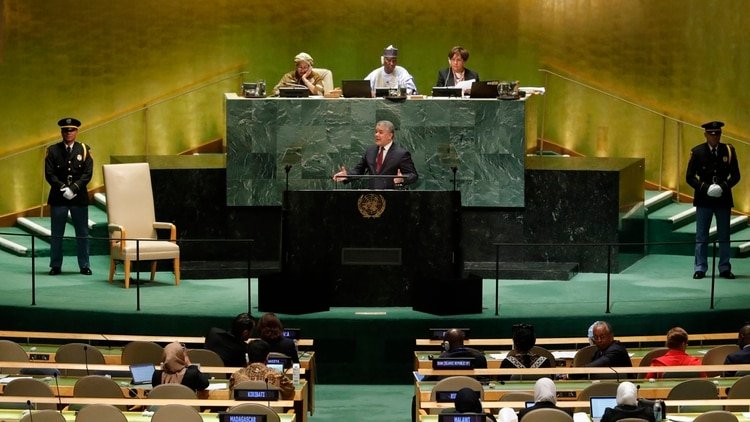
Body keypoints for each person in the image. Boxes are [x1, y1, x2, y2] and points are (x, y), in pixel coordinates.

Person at [686, 120, 741, 280]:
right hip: (704, 199)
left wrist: (723, 187)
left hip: (723, 198)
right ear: (705, 135)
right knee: (701, 235)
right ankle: (700, 267)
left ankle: (724, 267)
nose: (714, 136)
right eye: (711, 133)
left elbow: (736, 175)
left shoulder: (728, 151)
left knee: (724, 235)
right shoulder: (697, 152)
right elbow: (689, 177)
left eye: (717, 133)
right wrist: (705, 188)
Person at [45, 117, 94, 276]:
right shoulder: (53, 150)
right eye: (65, 130)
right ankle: (56, 265)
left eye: (71, 130)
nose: (68, 133)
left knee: (82, 233)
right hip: (59, 198)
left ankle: (84, 265)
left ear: (76, 131)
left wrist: (73, 188)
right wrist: (63, 188)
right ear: (61, 132)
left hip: (78, 198)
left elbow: (87, 173)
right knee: (57, 233)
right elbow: (49, 174)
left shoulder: (84, 149)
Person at [332, 120, 418, 189]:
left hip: (392, 196)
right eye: (376, 132)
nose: (376, 135)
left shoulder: (401, 154)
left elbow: (413, 175)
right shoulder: (370, 151)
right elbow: (359, 170)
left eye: (380, 132)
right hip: (372, 196)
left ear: (390, 135)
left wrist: (403, 178)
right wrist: (346, 175)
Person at [229, 339, 295, 400]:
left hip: (242, 412)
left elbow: (232, 394)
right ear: (267, 357)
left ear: (248, 357)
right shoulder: (277, 375)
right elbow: (290, 392)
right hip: (271, 412)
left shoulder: (236, 375)